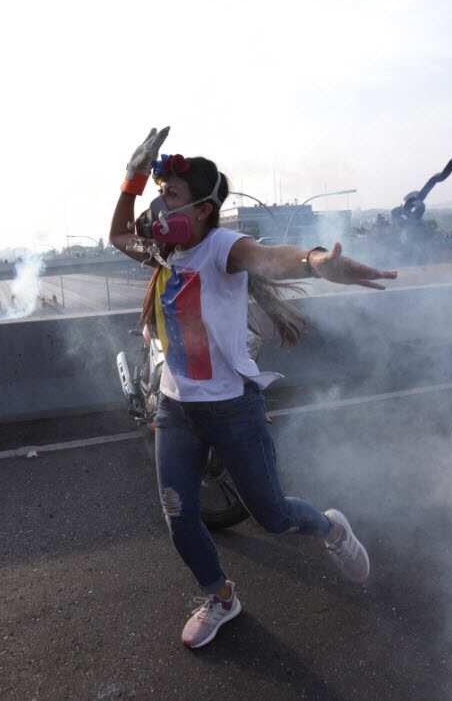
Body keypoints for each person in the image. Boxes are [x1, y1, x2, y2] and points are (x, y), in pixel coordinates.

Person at [108, 126, 397, 649]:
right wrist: (129, 181)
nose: (157, 207)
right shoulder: (165, 253)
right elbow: (119, 236)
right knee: (178, 512)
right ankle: (221, 597)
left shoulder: (221, 247)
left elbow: (269, 256)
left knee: (274, 516)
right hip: (177, 406)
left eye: (169, 197)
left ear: (200, 210)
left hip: (231, 409)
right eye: (157, 196)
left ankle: (332, 529)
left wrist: (314, 262)